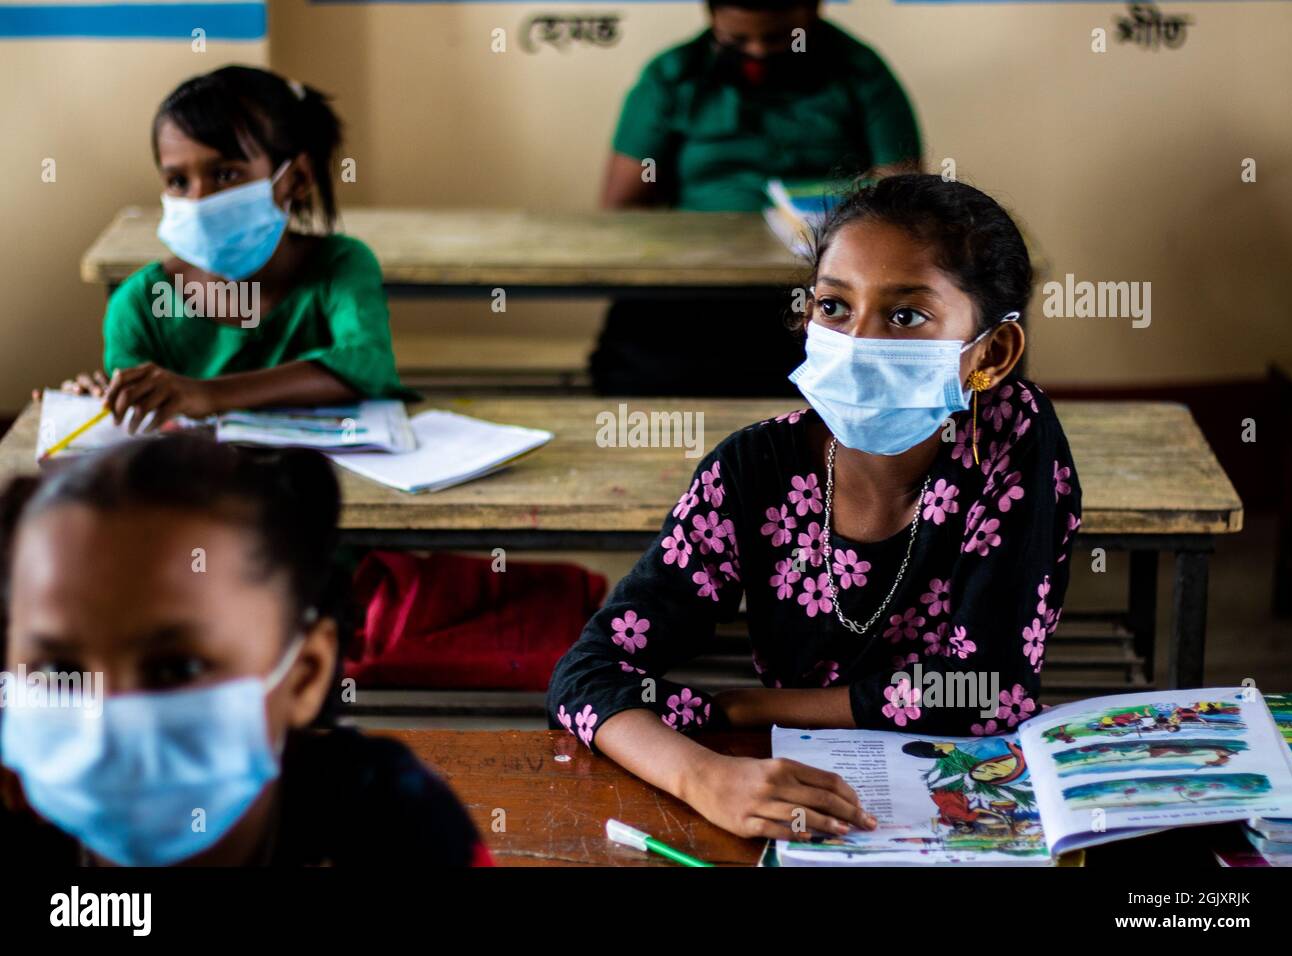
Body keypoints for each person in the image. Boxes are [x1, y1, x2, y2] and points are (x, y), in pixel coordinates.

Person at [550, 174, 1082, 841]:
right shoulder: (751, 472)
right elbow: (586, 675)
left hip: (968, 797)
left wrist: (746, 708)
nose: (859, 342)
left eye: (906, 315)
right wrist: (701, 776)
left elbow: (985, 691)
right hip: (798, 787)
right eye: (835, 307)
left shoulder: (1008, 440)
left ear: (990, 353)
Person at [0, 436, 488, 866]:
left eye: (176, 669)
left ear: (304, 675)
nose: (105, 724)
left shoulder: (398, 825)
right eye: (58, 670)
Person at [52, 65, 414, 430]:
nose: (200, 201)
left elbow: (369, 364)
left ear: (295, 179)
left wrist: (205, 394)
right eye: (178, 181)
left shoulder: (339, 267)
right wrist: (101, 400)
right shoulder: (140, 305)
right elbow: (139, 421)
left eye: (226, 174)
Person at [591, 0, 922, 396]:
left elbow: (902, 198)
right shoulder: (672, 77)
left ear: (814, 11)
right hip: (696, 285)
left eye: (778, 38)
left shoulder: (860, 73)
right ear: (711, 17)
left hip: (815, 287)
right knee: (639, 370)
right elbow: (623, 207)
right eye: (736, 39)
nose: (758, 52)